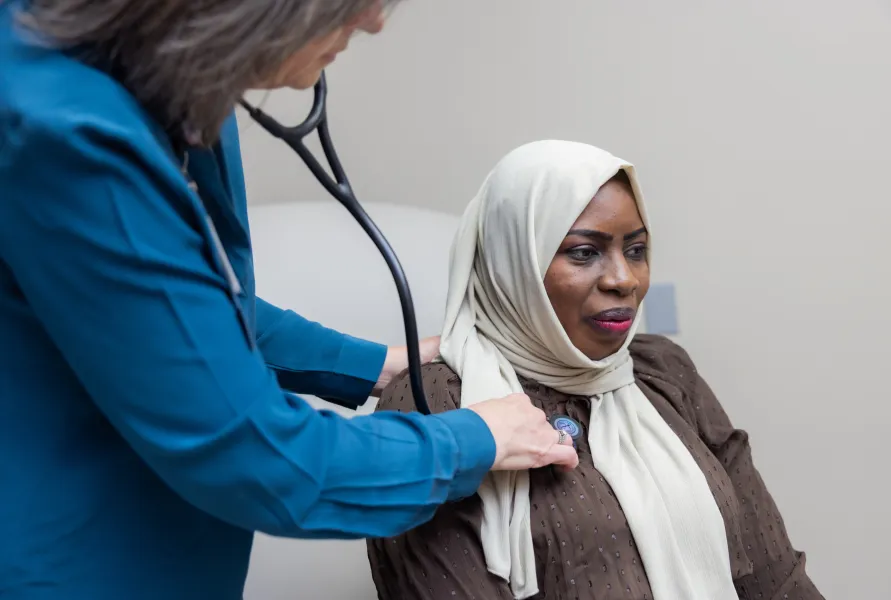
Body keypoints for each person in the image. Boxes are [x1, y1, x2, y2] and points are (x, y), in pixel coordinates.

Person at [0, 2, 579, 599]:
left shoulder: (172, 87)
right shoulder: (65, 131)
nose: (374, 22)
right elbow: (252, 455)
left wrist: (374, 365)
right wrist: (476, 441)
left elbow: (182, 308)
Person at [367, 140, 824, 600]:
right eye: (585, 252)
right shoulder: (436, 404)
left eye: (637, 250)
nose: (624, 279)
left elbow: (776, 578)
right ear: (514, 263)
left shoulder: (663, 371)